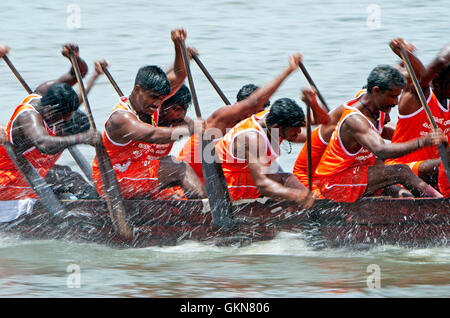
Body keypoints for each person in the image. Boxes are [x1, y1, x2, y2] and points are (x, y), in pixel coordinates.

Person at [91, 28, 207, 200]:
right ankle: (208, 216)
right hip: (112, 182)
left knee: (175, 193)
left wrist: (178, 44)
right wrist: (189, 129)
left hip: (137, 172)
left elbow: (179, 74)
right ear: (137, 89)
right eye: (153, 98)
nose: (157, 104)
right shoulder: (121, 118)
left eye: (161, 99)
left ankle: (196, 212)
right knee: (178, 168)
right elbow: (152, 134)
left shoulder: (150, 101)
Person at [314, 64, 446, 203]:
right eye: (392, 96)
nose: (396, 102)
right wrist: (422, 141)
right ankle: (442, 203)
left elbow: (418, 79)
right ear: (376, 91)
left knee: (402, 193)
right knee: (401, 171)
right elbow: (381, 151)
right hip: (335, 183)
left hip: (360, 174)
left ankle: (429, 205)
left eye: (397, 96)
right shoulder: (355, 120)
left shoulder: (376, 107)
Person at [177, 53, 308, 183]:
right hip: (191, 177)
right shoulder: (224, 117)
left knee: (271, 166)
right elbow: (254, 102)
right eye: (254, 113)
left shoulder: (262, 124)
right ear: (241, 108)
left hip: (221, 176)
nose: (258, 119)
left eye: (260, 114)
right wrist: (289, 70)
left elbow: (298, 135)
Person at [293, 87, 396, 197]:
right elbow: (321, 121)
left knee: (378, 162)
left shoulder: (366, 120)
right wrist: (313, 103)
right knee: (274, 166)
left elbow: (393, 132)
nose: (386, 118)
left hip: (327, 176)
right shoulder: (350, 119)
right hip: (310, 178)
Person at [214, 97, 316, 208]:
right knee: (288, 185)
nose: (300, 132)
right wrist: (297, 195)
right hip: (229, 185)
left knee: (288, 180)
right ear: (277, 127)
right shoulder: (253, 139)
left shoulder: (273, 117)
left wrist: (314, 103)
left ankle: (314, 208)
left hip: (249, 174)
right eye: (295, 128)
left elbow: (318, 121)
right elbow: (262, 185)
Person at [385, 39, 450, 190]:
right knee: (439, 166)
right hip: (402, 171)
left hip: (438, 175)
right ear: (439, 81)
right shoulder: (417, 96)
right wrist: (402, 52)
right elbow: (438, 62)